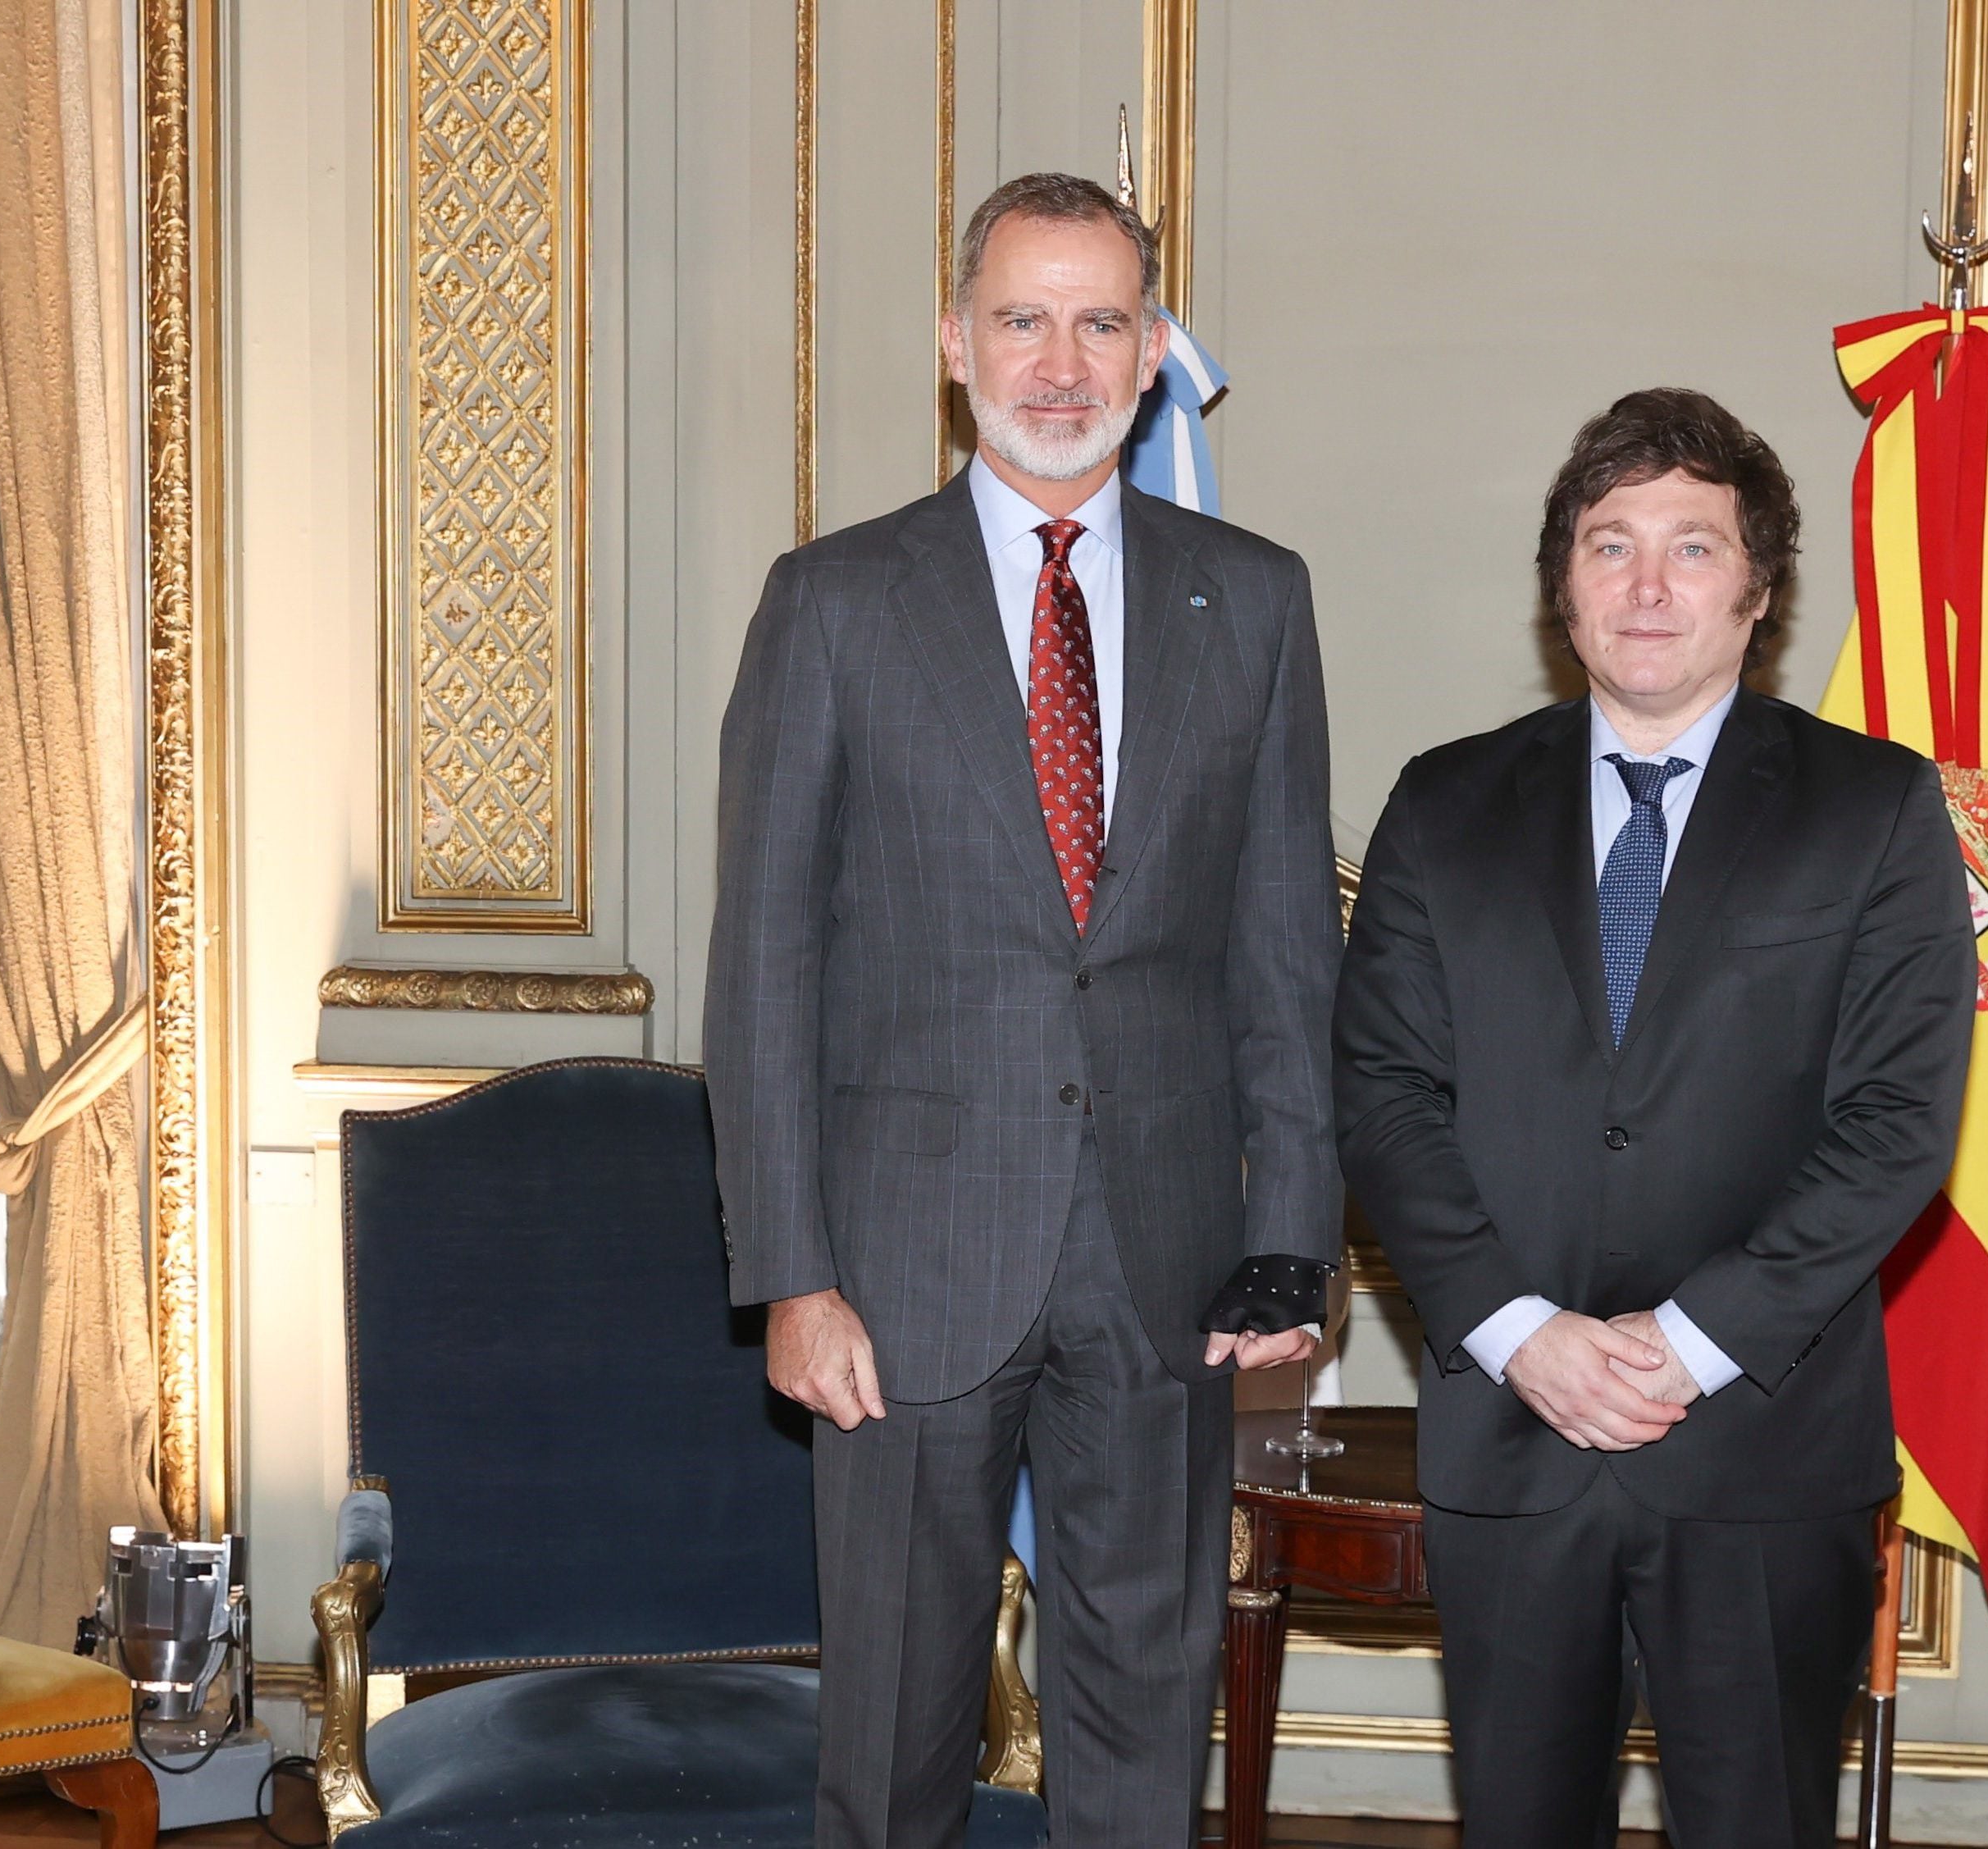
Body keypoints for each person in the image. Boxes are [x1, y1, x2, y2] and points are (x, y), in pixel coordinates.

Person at [705, 170, 1343, 1849]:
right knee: (897, 1742)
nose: (1057, 362)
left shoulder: (1254, 598)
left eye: (1097, 320)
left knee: (1141, 1730)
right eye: (1020, 318)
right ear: (953, 342)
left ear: (1149, 355)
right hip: (898, 1269)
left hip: (1166, 1260)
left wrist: (1292, 1227)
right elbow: (762, 960)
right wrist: (789, 1273)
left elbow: (1281, 944)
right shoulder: (834, 601)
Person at [1334, 388, 1976, 1848]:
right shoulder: (1443, 804)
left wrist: (1681, 1348)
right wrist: (1521, 1332)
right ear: (1560, 580)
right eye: (1608, 542)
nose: (1643, 583)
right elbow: (1378, 1092)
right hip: (1512, 1431)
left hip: (1759, 1444)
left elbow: (1892, 1124)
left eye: (1691, 548)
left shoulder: (1871, 810)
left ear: (1758, 591)